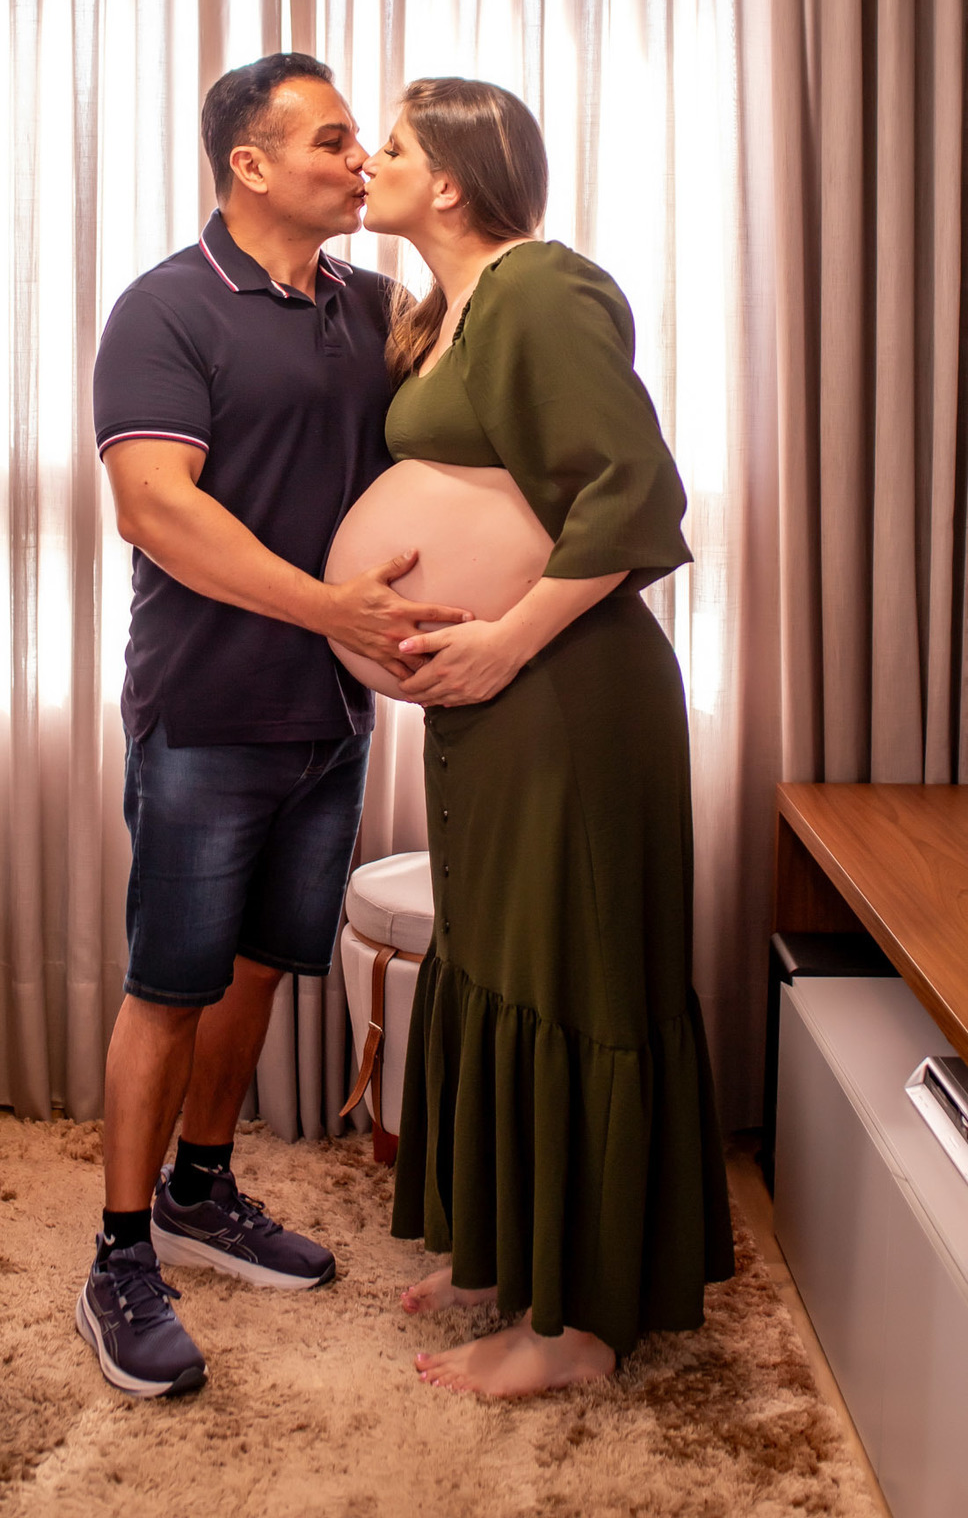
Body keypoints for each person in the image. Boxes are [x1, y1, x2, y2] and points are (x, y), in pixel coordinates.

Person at [81, 53, 469, 1399]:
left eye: (365, 143)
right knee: (170, 985)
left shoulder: (370, 307)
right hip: (204, 708)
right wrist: (330, 610)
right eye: (333, 140)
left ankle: (200, 1188)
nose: (361, 162)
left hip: (331, 710)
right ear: (249, 165)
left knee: (255, 969)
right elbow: (156, 509)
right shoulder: (165, 308)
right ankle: (118, 1255)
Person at [360, 78, 735, 1399]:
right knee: (501, 960)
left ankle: (578, 1324)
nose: (370, 162)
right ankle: (506, 1254)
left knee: (569, 972)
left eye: (393, 146)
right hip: (498, 694)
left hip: (567, 692)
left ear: (450, 180)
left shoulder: (536, 289)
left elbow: (633, 493)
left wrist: (508, 640)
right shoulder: (448, 310)